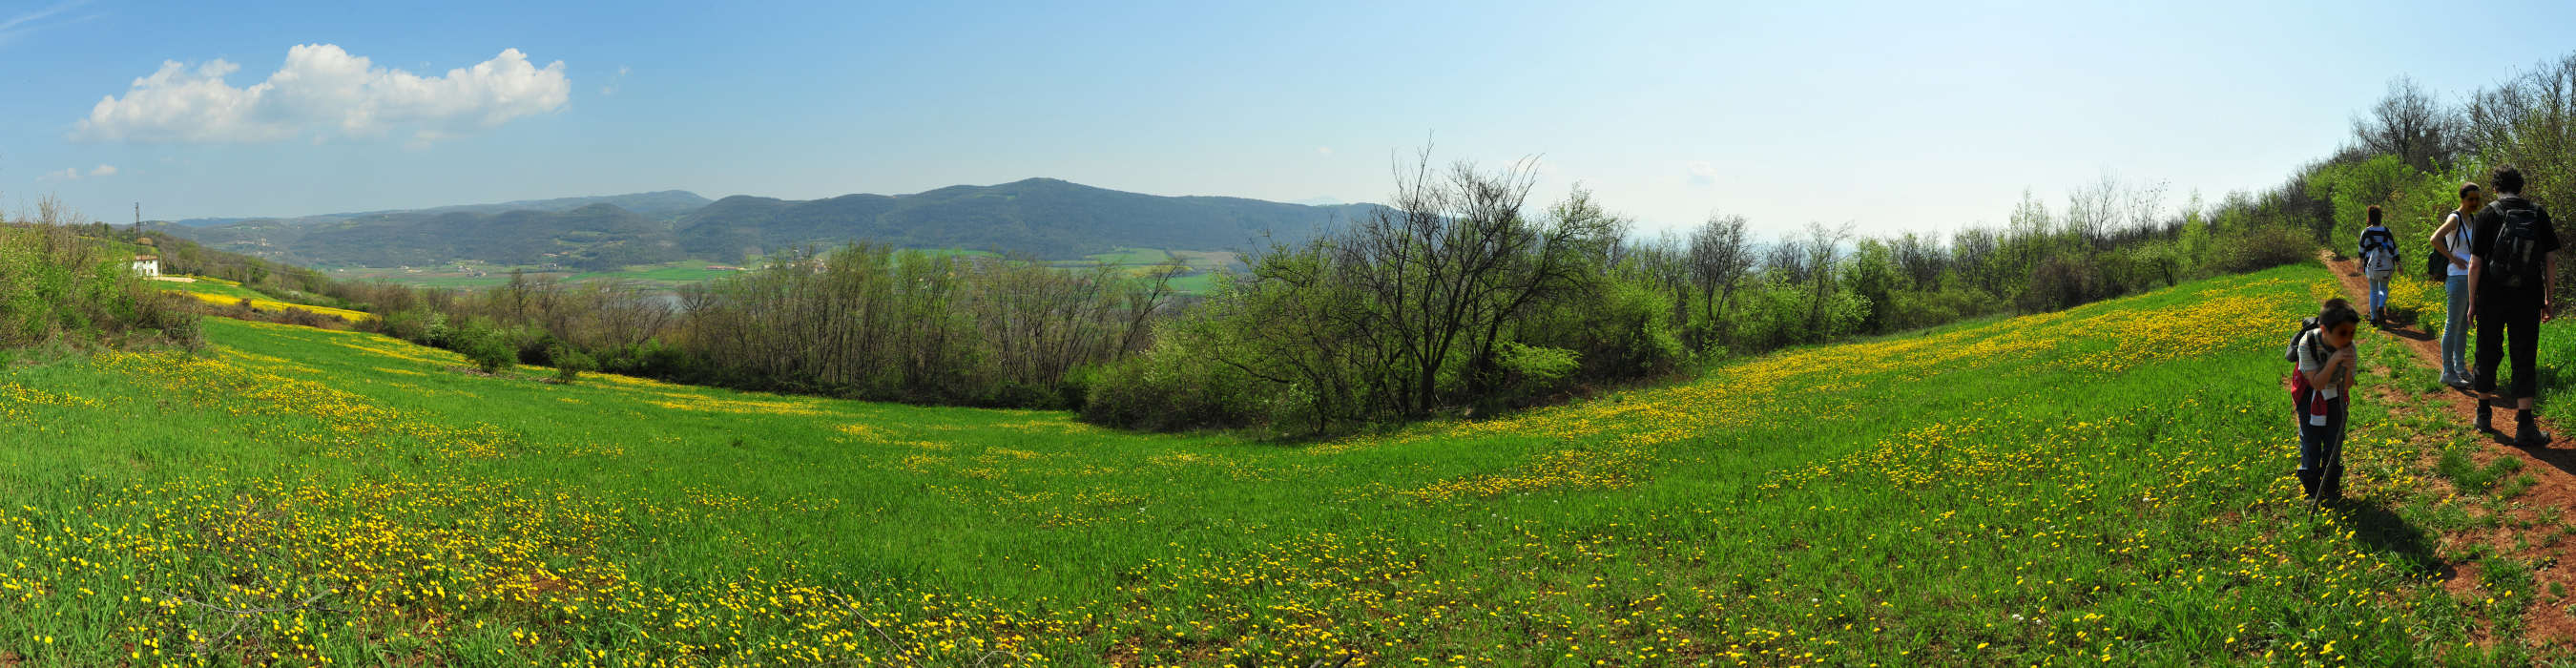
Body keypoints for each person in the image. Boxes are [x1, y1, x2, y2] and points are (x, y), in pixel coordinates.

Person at [2466, 164, 2562, 447]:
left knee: (2487, 349)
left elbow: (2475, 264)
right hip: (2527, 296)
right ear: (2521, 187)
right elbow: (2551, 260)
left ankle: (2483, 414)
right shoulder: (2538, 213)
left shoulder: (2485, 214)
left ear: (2495, 187)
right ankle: (2525, 425)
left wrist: (2472, 304)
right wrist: (2549, 299)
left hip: (2491, 297)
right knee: (2524, 355)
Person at [2293, 299, 2361, 501]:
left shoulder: (2350, 347)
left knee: (2334, 442)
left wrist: (2347, 366)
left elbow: (2347, 384)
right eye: (2342, 333)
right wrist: (2333, 361)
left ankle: (2331, 487)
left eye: (2351, 333)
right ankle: (2313, 491)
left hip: (2337, 395)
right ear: (2324, 330)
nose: (2348, 339)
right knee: (2311, 443)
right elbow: (2317, 383)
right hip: (2309, 395)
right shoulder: (2307, 344)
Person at [2431, 183, 2483, 388]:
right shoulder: (2455, 218)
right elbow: (2435, 239)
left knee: (2463, 325)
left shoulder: (2474, 220)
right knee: (2452, 324)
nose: (2474, 203)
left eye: (2477, 199)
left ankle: (2460, 368)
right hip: (2456, 277)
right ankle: (2447, 371)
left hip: (2470, 278)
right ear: (2462, 199)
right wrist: (2452, 257)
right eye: (2471, 199)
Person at [2358, 206, 2400, 325]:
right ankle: (2381, 306)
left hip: (2371, 267)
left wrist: (2360, 264)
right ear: (2381, 217)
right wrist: (2399, 263)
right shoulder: (2387, 231)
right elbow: (2394, 249)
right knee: (2383, 288)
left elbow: (2361, 251)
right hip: (2387, 266)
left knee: (2373, 290)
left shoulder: (2366, 232)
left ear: (2369, 217)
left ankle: (2373, 318)